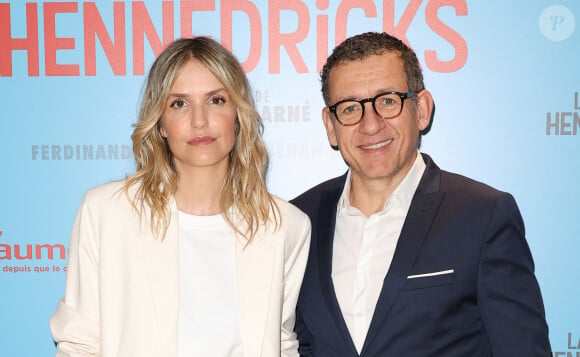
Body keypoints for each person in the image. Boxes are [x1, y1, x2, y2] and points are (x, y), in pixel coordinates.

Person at [291, 32, 551, 356]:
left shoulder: (483, 216)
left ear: (422, 109)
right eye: (349, 108)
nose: (370, 125)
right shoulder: (296, 221)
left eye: (388, 101)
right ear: (331, 126)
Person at [49, 37, 310, 357]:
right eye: (179, 103)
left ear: (238, 113)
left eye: (216, 100)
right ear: (159, 123)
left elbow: (280, 343)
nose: (199, 121)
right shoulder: (106, 212)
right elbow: (79, 344)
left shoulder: (285, 226)